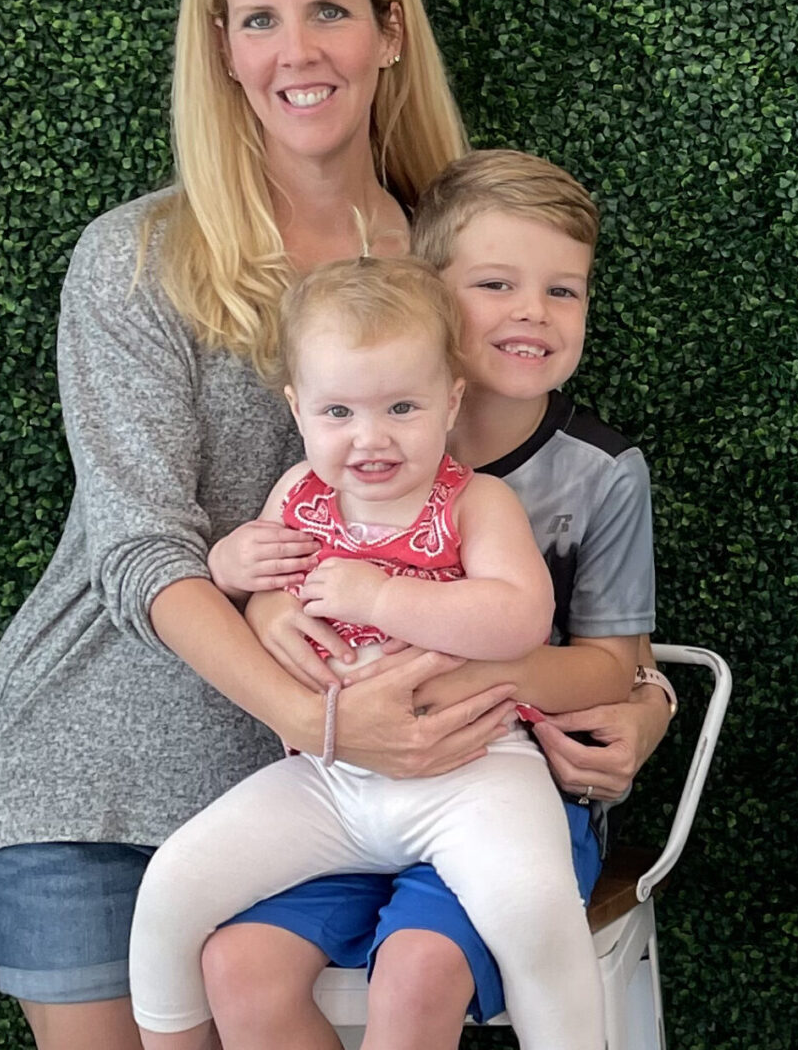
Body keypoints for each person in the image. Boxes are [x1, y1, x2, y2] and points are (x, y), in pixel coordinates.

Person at [0, 0, 515, 1050]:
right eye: (256, 19)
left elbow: (524, 501)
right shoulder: (135, 260)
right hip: (102, 769)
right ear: (219, 51)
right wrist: (317, 717)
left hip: (349, 785)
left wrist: (628, 689)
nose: (296, 50)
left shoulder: (458, 255)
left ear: (389, 33)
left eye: (328, 11)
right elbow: (138, 544)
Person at [202, 148, 661, 1050]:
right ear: (432, 298)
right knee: (237, 967)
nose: (533, 311)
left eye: (564, 292)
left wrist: (456, 670)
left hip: (512, 793)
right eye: (496, 284)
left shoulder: (600, 472)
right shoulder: (341, 452)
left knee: (415, 974)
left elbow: (618, 666)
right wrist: (265, 611)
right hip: (343, 787)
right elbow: (277, 583)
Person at [127, 255, 601, 1050]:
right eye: (339, 410)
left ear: (450, 402)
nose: (370, 438)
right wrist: (228, 569)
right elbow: (261, 610)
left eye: (402, 407)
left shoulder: (475, 501)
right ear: (298, 408)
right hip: (329, 778)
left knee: (532, 904)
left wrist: (380, 598)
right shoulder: (296, 496)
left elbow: (522, 616)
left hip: (473, 772)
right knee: (173, 886)